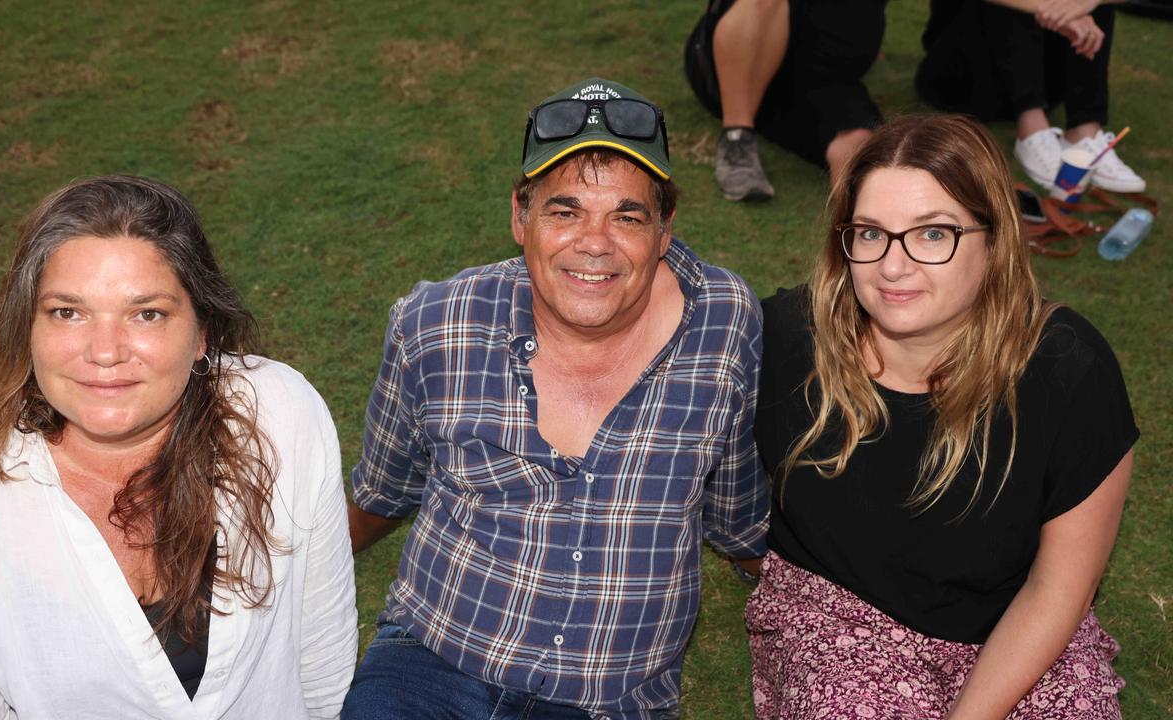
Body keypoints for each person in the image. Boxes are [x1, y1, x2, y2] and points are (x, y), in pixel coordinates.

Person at [342, 77, 770, 719]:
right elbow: (384, 489)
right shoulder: (435, 323)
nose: (594, 243)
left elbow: (737, 508)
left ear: (665, 231)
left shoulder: (725, 324)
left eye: (627, 216)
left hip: (608, 695)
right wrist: (276, 572)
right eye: (564, 212)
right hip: (432, 658)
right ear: (520, 217)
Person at [0, 175, 358, 719]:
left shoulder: (279, 414)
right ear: (28, 328)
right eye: (68, 311)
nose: (106, 352)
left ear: (202, 331)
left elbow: (321, 655)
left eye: (147, 313)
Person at [747, 115, 1137, 718]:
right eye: (871, 233)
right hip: (841, 615)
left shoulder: (1067, 371)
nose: (893, 267)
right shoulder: (788, 342)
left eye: (933, 235)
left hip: (1013, 620)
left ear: (995, 239)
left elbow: (1058, 589)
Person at [916, 0, 1146, 193]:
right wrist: (1049, 8)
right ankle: (1032, 129)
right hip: (964, 76)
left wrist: (1083, 4)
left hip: (1045, 79)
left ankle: (1085, 129)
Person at [685, 0, 886, 200]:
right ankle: (736, 138)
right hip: (738, 64)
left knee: (864, 151)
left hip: (822, 82)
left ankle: (864, 225)